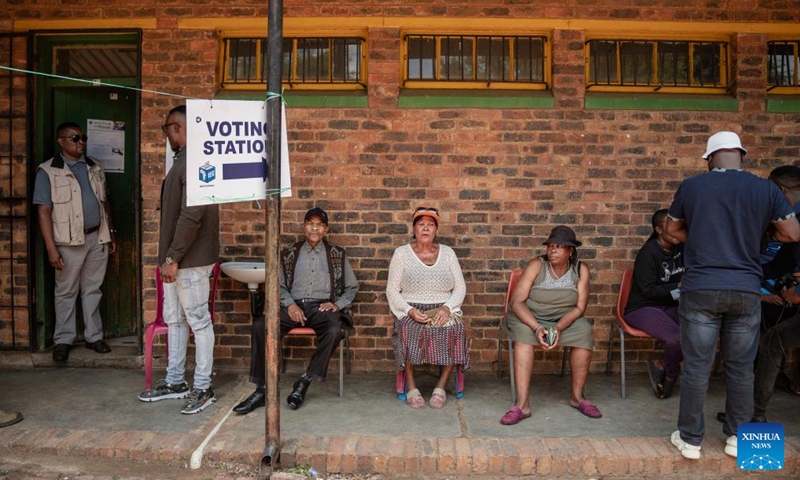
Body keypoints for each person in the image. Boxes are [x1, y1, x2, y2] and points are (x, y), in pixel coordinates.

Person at [664, 131, 800, 460]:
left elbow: (670, 230)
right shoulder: (765, 189)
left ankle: (691, 440)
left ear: (710, 159)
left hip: (701, 289)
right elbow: (792, 232)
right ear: (742, 155)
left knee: (697, 366)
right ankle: (738, 438)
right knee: (740, 367)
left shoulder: (692, 186)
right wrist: (761, 231)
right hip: (745, 290)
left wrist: (701, 235)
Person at [233, 207, 359, 414]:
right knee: (260, 325)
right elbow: (279, 285)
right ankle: (263, 389)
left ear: (325, 229)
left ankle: (304, 380)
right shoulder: (289, 254)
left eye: (319, 224)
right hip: (293, 306)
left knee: (335, 330)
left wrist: (337, 305)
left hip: (321, 307)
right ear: (304, 227)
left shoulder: (337, 254)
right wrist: (290, 304)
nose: (315, 228)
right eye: (311, 223)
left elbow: (352, 286)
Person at [138, 105, 220, 415]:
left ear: (176, 128)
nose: (167, 136)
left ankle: (202, 387)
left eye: (167, 130)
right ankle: (175, 381)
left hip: (189, 260)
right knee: (174, 320)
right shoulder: (183, 161)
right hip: (176, 259)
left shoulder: (197, 161)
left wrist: (172, 256)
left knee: (198, 321)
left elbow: (192, 214)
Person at [33, 121, 117, 362]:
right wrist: (51, 248)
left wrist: (111, 232)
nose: (81, 142)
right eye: (75, 138)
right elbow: (43, 211)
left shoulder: (94, 166)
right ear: (61, 141)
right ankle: (63, 339)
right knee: (66, 291)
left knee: (92, 289)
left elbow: (105, 202)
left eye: (83, 138)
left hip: (96, 237)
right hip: (68, 242)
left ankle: (94, 337)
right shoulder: (48, 171)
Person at [500, 225, 599, 424]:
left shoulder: (581, 269)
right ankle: (522, 404)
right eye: (550, 246)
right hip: (529, 317)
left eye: (559, 247)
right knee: (524, 339)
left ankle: (577, 397)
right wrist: (537, 327)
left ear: (570, 250)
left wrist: (559, 327)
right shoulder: (537, 265)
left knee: (584, 332)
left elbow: (580, 308)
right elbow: (516, 302)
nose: (552, 250)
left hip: (564, 319)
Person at [386, 207, 469, 410]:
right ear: (414, 229)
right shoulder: (402, 254)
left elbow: (460, 287)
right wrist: (409, 311)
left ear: (435, 230)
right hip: (411, 308)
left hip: (442, 308)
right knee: (408, 329)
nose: (425, 228)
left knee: (455, 329)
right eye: (421, 224)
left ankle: (441, 385)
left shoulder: (448, 253)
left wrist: (447, 308)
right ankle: (412, 386)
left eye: (430, 225)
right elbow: (392, 290)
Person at [624, 209, 684, 399]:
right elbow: (648, 291)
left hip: (671, 306)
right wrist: (678, 287)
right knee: (675, 338)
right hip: (644, 307)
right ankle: (671, 375)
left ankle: (662, 364)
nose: (677, 231)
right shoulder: (648, 253)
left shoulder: (681, 248)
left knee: (698, 331)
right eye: (672, 227)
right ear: (659, 229)